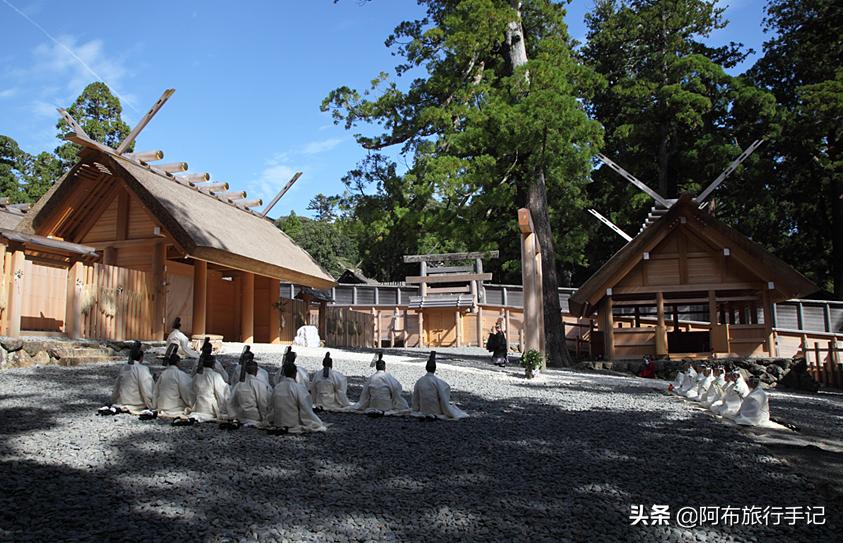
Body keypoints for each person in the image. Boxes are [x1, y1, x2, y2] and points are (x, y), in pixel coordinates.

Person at [269, 361, 327, 433]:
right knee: (316, 423)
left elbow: (271, 405)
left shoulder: (277, 387)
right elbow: (306, 407)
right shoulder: (299, 388)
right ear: (295, 373)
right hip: (292, 422)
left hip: (277, 421)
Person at [411, 352, 468, 420]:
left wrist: (416, 409)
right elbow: (445, 394)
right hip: (436, 410)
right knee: (453, 409)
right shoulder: (438, 382)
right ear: (435, 369)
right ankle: (434, 414)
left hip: (423, 410)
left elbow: (415, 398)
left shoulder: (419, 381)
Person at [227, 355, 272, 427]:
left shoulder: (239, 384)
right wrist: (265, 419)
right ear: (257, 370)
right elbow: (262, 403)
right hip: (254, 417)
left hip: (241, 415)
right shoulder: (259, 384)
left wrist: (232, 416)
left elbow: (231, 401)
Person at [110, 341, 154, 414]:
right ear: (141, 357)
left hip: (121, 402)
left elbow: (116, 387)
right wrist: (151, 405)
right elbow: (146, 389)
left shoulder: (124, 368)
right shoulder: (142, 369)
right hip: (136, 403)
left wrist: (114, 401)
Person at [153, 344, 194, 418]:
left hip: (161, 405)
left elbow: (156, 391)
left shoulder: (163, 374)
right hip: (173, 406)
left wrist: (154, 405)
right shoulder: (179, 374)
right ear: (178, 362)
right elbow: (186, 392)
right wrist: (192, 403)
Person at [190, 352, 230, 422]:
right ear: (213, 364)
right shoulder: (215, 376)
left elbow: (192, 393)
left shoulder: (196, 376)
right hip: (210, 409)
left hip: (198, 407)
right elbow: (221, 396)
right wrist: (224, 410)